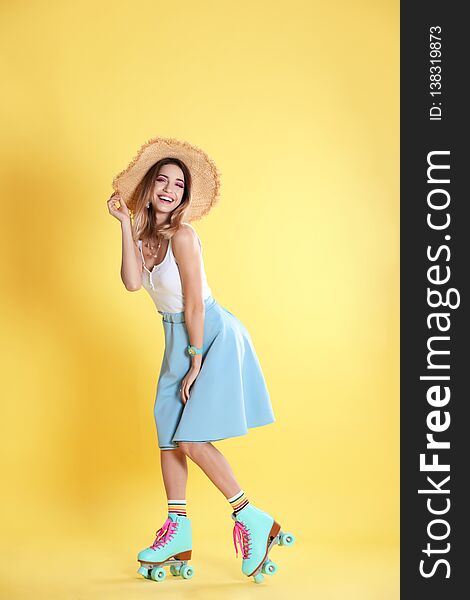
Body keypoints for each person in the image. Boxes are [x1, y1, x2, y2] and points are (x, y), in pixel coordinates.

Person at [107, 136, 294, 583]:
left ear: (185, 196)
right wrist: (120, 222)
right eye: (162, 181)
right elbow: (133, 284)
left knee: (191, 438)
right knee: (168, 433)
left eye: (178, 184)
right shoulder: (140, 233)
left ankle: (252, 518)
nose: (170, 189)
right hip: (176, 337)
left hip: (209, 334)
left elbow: (193, 303)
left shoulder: (185, 236)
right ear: (150, 188)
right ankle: (178, 529)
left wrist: (194, 360)